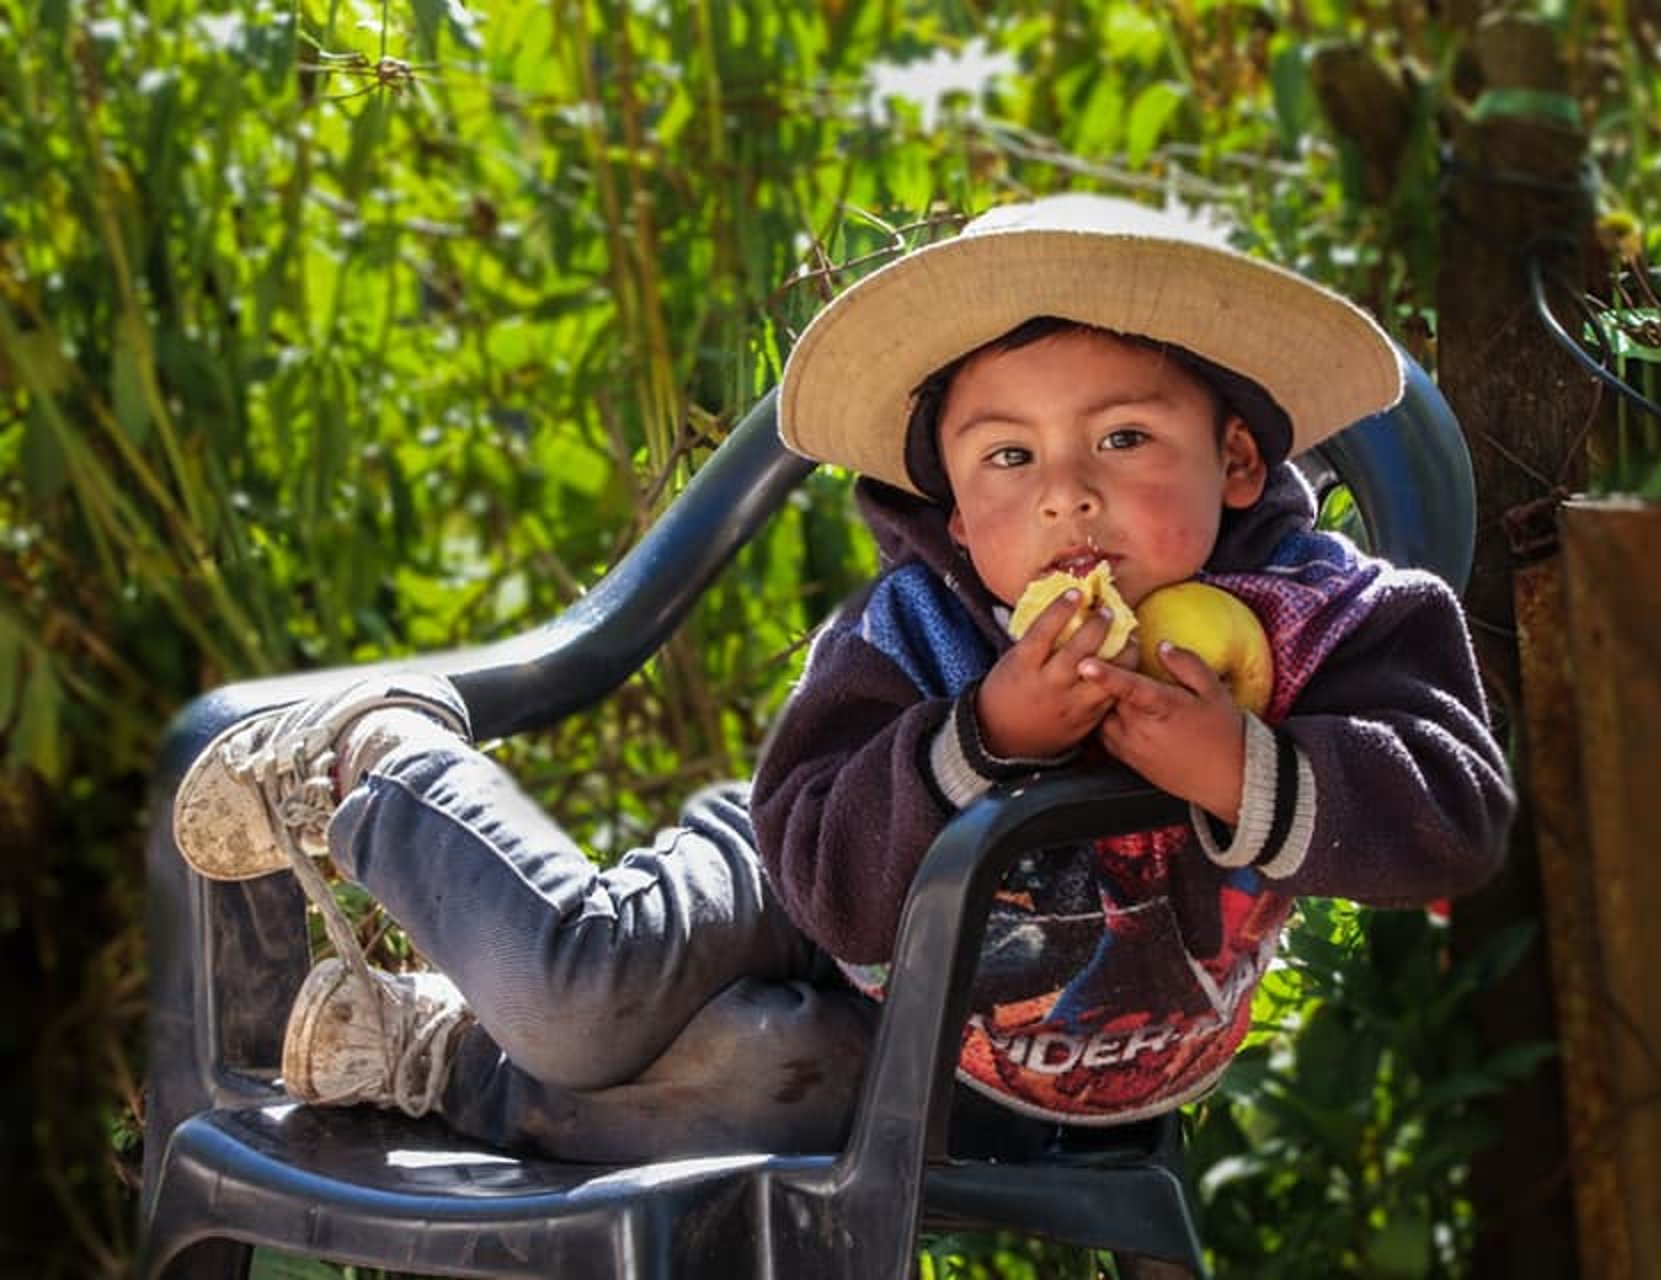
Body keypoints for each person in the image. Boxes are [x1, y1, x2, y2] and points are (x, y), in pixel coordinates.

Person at [170, 193, 1512, 1158]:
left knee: (749, 1093)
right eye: (1010, 459)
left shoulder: (1325, 619)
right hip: (800, 877)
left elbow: (1458, 820)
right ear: (950, 501)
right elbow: (819, 869)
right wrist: (983, 732)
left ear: (1231, 463)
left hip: (969, 1059)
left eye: (1121, 438)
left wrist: (1240, 768)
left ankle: (436, 1052)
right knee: (580, 1002)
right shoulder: (918, 629)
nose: (1067, 499)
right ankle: (375, 757)